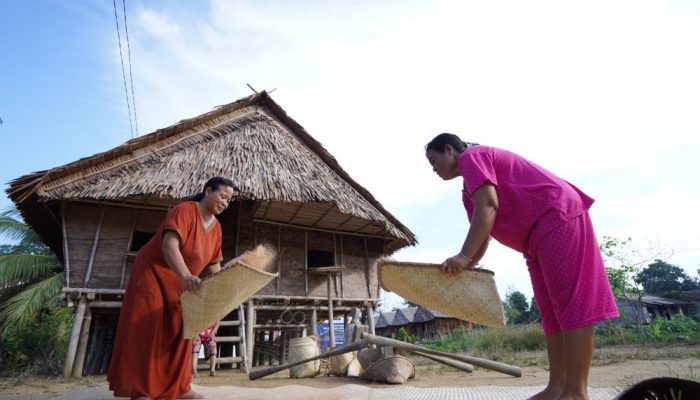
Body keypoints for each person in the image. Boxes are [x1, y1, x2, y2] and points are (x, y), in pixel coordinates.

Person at [425, 133, 619, 400]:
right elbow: (484, 233)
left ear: (449, 150)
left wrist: (462, 256)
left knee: (570, 304)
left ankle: (575, 392)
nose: (433, 168)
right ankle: (556, 387)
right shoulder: (468, 192)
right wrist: (466, 265)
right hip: (535, 240)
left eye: (434, 160)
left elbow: (489, 207)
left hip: (557, 217)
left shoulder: (473, 156)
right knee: (551, 311)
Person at [108, 177, 235, 400]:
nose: (225, 203)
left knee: (182, 329)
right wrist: (186, 275)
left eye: (229, 200)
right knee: (150, 327)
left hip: (185, 283)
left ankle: (180, 387)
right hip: (154, 272)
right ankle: (141, 391)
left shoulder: (217, 228)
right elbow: (169, 245)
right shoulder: (184, 210)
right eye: (223, 196)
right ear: (208, 191)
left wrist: (222, 291)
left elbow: (214, 265)